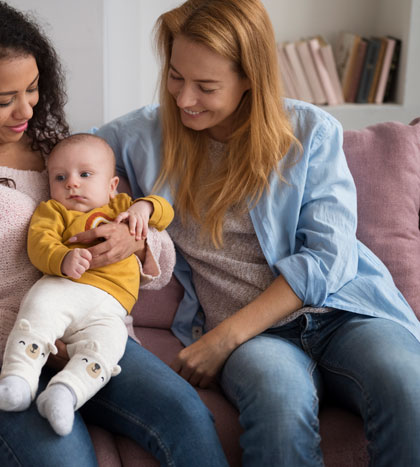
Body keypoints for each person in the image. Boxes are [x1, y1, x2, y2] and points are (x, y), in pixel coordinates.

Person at [0, 0, 228, 465]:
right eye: (4, 100)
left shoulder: (58, 157)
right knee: (63, 458)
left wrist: (137, 242)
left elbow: (152, 256)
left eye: (33, 89)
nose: (26, 109)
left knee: (187, 415)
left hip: (94, 340)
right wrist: (31, 331)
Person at [86, 0, 420, 465]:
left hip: (344, 311)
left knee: (409, 385)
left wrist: (223, 339)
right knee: (278, 403)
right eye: (176, 76)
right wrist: (123, 225)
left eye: (206, 86)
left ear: (250, 79)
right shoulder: (144, 136)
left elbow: (327, 259)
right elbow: (72, 159)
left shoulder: (310, 131)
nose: (184, 99)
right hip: (260, 345)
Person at [0, 133, 175, 437]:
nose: (71, 183)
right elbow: (39, 243)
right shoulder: (54, 211)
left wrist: (146, 208)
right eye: (60, 177)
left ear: (112, 185)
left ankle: (65, 393)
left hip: (111, 309)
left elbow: (165, 211)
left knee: (109, 346)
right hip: (65, 288)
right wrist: (62, 258)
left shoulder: (124, 208)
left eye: (85, 175)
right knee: (37, 313)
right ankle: (18, 379)